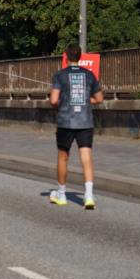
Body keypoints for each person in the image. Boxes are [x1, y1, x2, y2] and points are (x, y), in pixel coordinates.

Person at [49, 44, 103, 209]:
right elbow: (99, 99)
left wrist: (63, 101)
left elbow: (53, 100)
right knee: (86, 157)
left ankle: (61, 193)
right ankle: (88, 195)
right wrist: (87, 101)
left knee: (63, 156)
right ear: (81, 57)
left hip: (66, 121)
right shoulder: (89, 75)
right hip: (85, 121)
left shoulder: (60, 75)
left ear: (66, 57)